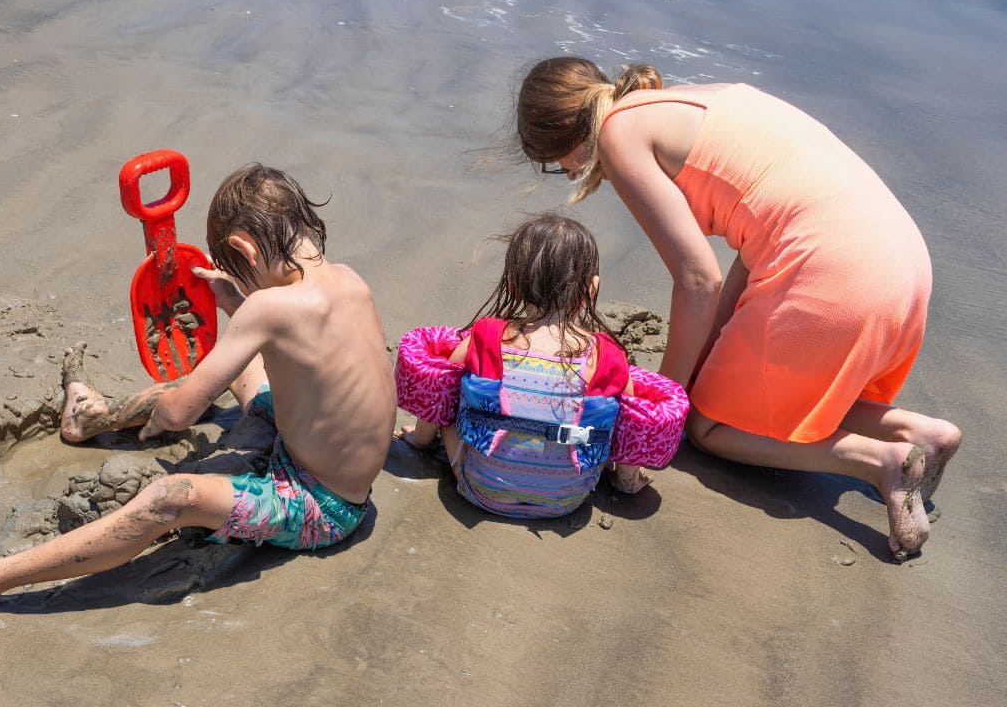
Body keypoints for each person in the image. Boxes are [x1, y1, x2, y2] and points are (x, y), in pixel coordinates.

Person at [0, 163, 396, 640]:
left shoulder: (269, 312)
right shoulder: (349, 281)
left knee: (171, 495)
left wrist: (162, 420)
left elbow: (182, 413)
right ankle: (91, 416)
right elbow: (306, 347)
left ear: (246, 251)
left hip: (318, 508)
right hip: (339, 472)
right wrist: (237, 302)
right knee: (247, 367)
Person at [513, 57, 961, 559]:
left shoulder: (619, 135)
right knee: (758, 393)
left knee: (709, 427)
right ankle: (919, 430)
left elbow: (699, 279)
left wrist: (668, 403)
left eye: (558, 166)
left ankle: (878, 461)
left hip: (836, 273)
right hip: (903, 266)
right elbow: (755, 247)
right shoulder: (698, 99)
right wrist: (705, 356)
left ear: (562, 141)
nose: (571, 173)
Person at [396, 213, 657, 519]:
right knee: (608, 417)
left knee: (448, 400)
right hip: (568, 499)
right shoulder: (608, 356)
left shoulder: (487, 337)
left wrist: (420, 440)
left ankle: (426, 438)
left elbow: (438, 392)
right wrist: (627, 479)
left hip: (481, 488)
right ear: (592, 289)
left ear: (512, 284)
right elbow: (633, 422)